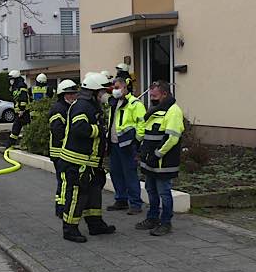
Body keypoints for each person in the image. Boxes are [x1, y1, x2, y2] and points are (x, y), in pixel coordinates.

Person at [59, 72, 116, 243]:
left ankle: (95, 224)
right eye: (102, 91)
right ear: (94, 92)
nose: (105, 94)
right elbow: (79, 128)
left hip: (89, 162)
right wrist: (100, 130)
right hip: (77, 162)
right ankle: (69, 229)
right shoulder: (82, 106)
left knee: (93, 194)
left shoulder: (91, 105)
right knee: (77, 195)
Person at [136, 80, 184, 236]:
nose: (152, 98)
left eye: (155, 96)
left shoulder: (173, 111)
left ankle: (166, 222)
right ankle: (152, 218)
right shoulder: (156, 109)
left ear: (164, 94)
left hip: (163, 161)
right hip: (151, 160)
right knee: (151, 190)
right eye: (151, 95)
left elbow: (172, 138)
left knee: (164, 192)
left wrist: (157, 154)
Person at [106, 77, 146, 214]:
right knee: (116, 173)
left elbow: (142, 124)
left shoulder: (135, 104)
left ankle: (135, 204)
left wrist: (136, 141)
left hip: (127, 145)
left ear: (125, 88)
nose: (115, 90)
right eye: (113, 88)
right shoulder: (114, 102)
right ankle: (121, 200)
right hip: (114, 144)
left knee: (130, 174)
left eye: (117, 88)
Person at [49, 79, 79, 218]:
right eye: (70, 94)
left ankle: (63, 206)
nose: (74, 96)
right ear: (63, 95)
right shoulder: (59, 109)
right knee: (63, 181)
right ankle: (60, 208)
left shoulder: (68, 107)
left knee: (65, 181)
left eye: (74, 93)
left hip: (64, 151)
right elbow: (57, 130)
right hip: (59, 152)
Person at [8, 70, 30, 147]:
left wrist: (22, 109)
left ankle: (27, 144)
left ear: (16, 79)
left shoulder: (22, 86)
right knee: (16, 128)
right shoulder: (15, 87)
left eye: (12, 79)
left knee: (24, 129)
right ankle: (11, 143)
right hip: (19, 112)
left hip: (24, 112)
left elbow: (23, 98)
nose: (10, 81)